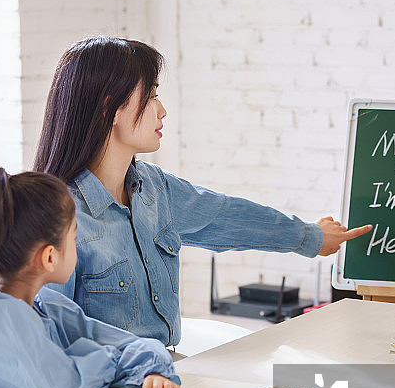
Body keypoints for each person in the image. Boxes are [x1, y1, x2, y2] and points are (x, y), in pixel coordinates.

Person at [34, 36, 371, 348]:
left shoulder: (155, 189)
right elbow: (48, 343)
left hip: (165, 371)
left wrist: (310, 237)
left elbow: (228, 217)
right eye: (150, 97)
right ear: (111, 109)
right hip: (107, 385)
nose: (162, 110)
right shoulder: (56, 218)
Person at [0, 166, 181, 388]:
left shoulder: (49, 306)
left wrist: (152, 372)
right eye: (74, 238)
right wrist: (116, 361)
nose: (77, 246)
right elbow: (68, 385)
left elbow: (137, 345)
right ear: (50, 257)